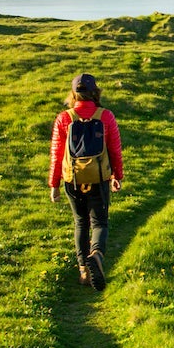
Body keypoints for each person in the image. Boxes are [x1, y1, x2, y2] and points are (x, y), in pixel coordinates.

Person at [49, 72, 124, 291]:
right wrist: (116, 176)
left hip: (73, 178)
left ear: (74, 93)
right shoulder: (106, 116)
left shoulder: (64, 118)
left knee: (81, 222)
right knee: (99, 222)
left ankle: (83, 271)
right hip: (98, 177)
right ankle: (97, 255)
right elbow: (114, 150)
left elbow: (56, 153)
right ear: (95, 92)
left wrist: (54, 184)